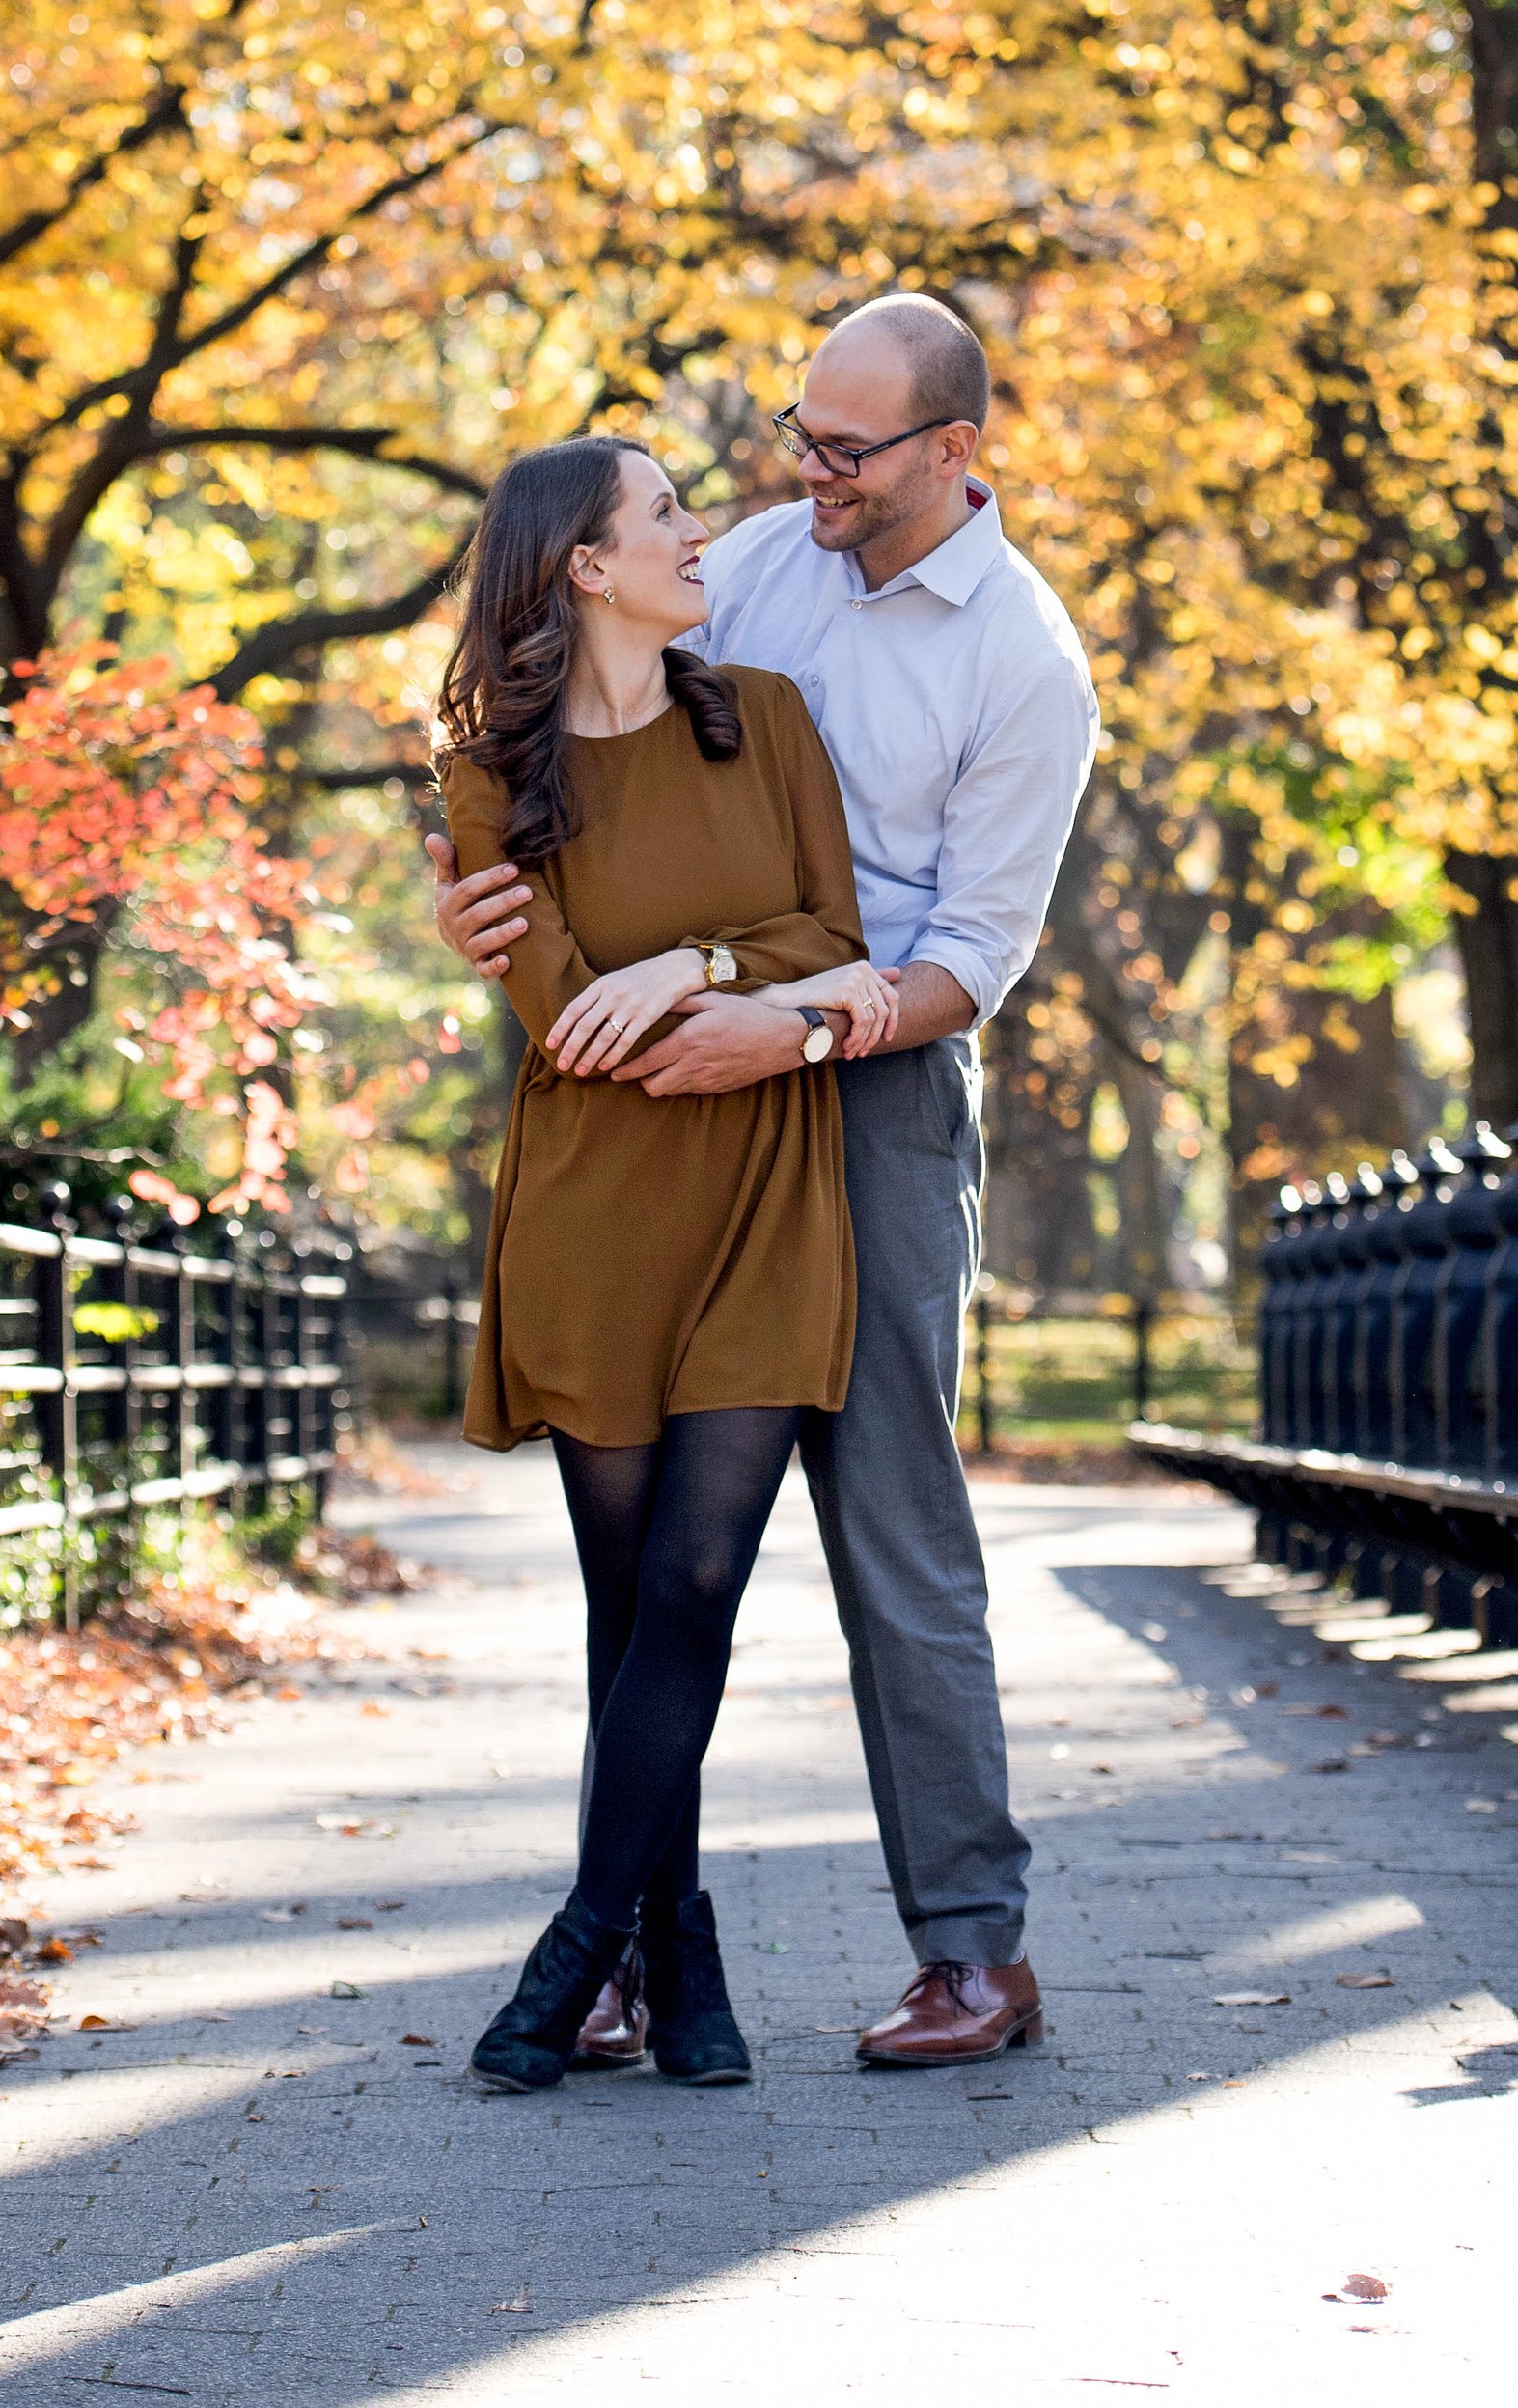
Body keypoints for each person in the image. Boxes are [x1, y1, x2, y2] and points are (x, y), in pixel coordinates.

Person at [432, 293, 1101, 2069]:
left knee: (890, 1514)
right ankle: (644, 1955)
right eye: (801, 431)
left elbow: (971, 957)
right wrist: (487, 910)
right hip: (653, 1093)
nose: (805, 470)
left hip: (869, 1083)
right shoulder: (756, 560)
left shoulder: (1024, 663)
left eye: (846, 447)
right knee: (649, 1567)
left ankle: (974, 1947)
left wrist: (780, 1021)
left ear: (953, 453)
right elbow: (576, 743)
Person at [433, 431, 897, 2096]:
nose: (703, 532)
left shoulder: (759, 715)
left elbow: (832, 941)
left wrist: (694, 961)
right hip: (595, 1204)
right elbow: (564, 1015)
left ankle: (575, 1949)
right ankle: (677, 1946)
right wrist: (630, 993)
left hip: (771, 1185)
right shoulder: (487, 774)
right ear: (586, 565)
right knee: (629, 1605)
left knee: (699, 1579)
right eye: (669, 515)